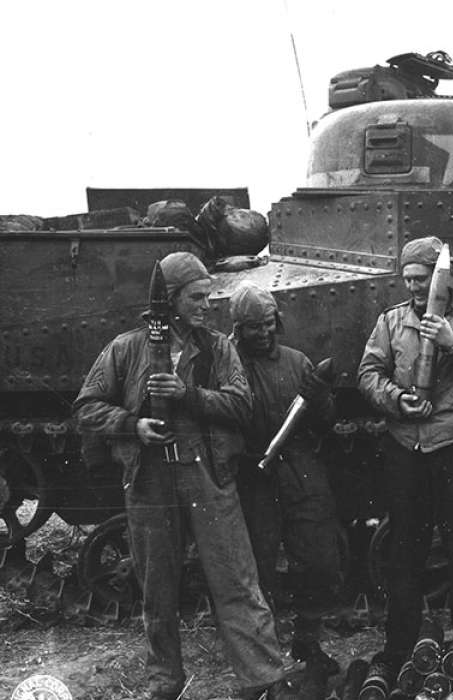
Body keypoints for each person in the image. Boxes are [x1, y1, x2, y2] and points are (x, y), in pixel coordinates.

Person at [73, 252, 296, 700]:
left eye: (208, 295)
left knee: (235, 579)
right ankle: (165, 682)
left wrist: (188, 395)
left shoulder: (217, 347)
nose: (206, 304)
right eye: (196, 296)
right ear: (170, 300)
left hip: (207, 477)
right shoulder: (128, 348)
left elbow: (242, 405)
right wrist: (131, 425)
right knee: (157, 588)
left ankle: (263, 678)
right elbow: (86, 407)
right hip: (151, 480)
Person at [357, 236, 453, 671]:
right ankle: (402, 649)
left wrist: (452, 341)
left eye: (421, 279)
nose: (414, 289)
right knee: (405, 551)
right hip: (407, 446)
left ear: (441, 277)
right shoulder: (392, 321)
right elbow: (369, 372)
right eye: (407, 280)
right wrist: (396, 400)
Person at [229, 283, 342, 677]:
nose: (263, 333)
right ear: (239, 329)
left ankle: (308, 641)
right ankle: (266, 656)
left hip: (298, 466)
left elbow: (327, 420)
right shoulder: (227, 363)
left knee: (318, 557)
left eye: (268, 324)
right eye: (253, 327)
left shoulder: (296, 362)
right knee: (258, 565)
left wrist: (321, 395)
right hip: (251, 471)